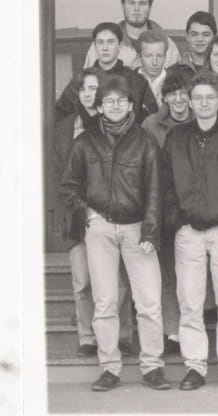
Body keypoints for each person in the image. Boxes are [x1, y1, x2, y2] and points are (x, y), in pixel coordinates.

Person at [59, 74, 168, 392]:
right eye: (109, 101)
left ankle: (153, 366)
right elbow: (68, 187)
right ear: (100, 106)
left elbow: (156, 190)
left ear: (131, 105)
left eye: (121, 100)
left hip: (137, 229)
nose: (116, 106)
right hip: (101, 229)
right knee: (105, 301)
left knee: (149, 301)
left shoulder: (145, 141)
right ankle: (109, 368)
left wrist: (150, 232)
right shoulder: (85, 142)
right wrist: (87, 212)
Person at [161, 73, 218, 391]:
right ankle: (195, 367)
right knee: (190, 303)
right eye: (198, 97)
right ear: (190, 102)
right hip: (189, 232)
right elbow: (166, 184)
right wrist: (178, 220)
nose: (203, 103)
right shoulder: (177, 138)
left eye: (209, 97)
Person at [52, 68, 135, 358]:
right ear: (77, 93)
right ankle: (88, 337)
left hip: (112, 213)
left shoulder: (113, 123)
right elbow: (57, 176)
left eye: (94, 88)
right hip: (77, 215)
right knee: (83, 281)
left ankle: (122, 335)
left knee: (118, 281)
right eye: (84, 89)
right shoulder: (65, 128)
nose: (89, 94)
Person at [140, 71, 195, 354]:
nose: (178, 99)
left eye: (183, 92)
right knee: (167, 271)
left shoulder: (201, 120)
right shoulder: (151, 125)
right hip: (163, 205)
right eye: (172, 94)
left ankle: (194, 328)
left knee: (193, 274)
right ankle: (172, 331)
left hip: (195, 205)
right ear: (164, 98)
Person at [56, 22, 159, 124]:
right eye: (100, 42)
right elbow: (59, 115)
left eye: (110, 42)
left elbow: (152, 120)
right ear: (95, 46)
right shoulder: (82, 81)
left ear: (119, 45)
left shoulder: (137, 81)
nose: (105, 48)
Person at [82, 0, 180, 70]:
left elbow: (175, 81)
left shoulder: (168, 45)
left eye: (142, 3)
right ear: (123, 6)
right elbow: (88, 79)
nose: (136, 8)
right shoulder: (102, 43)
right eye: (131, 3)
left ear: (150, 7)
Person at [172, 11, 217, 75]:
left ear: (214, 37)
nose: (200, 39)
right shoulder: (173, 73)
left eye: (206, 34)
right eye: (194, 34)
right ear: (187, 36)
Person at [134, 30, 170, 107]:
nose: (154, 63)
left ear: (165, 56)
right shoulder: (128, 82)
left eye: (159, 56)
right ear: (139, 56)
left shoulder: (177, 81)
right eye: (148, 56)